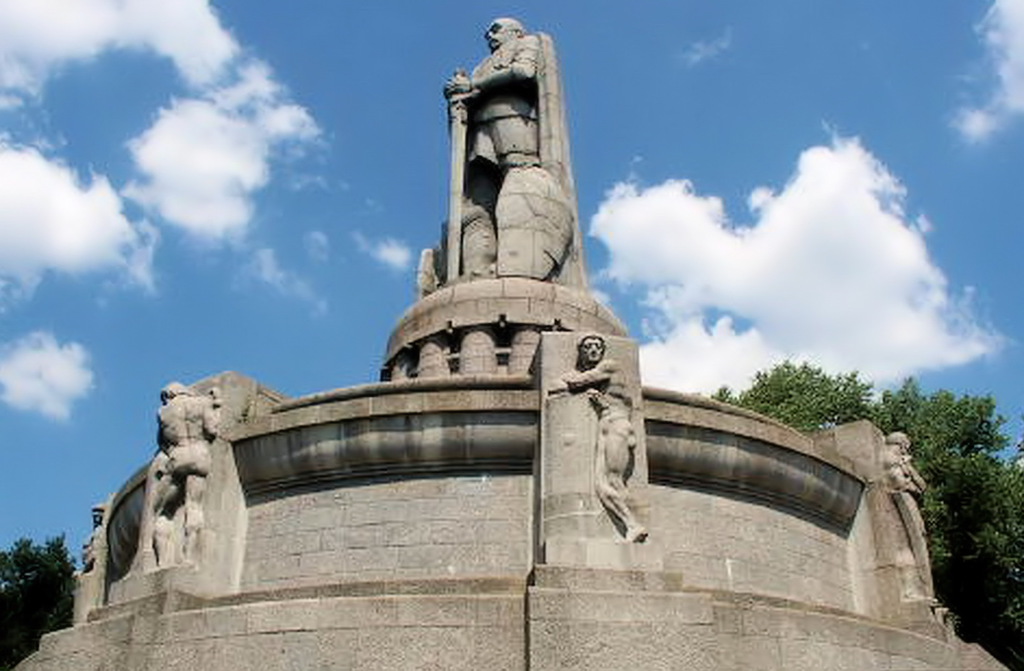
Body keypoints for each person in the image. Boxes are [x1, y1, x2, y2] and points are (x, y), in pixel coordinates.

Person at [442, 18, 579, 284]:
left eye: (496, 29)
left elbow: (524, 72)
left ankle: (518, 262)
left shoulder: (527, 43)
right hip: (480, 130)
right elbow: (471, 96)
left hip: (514, 120)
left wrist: (473, 86)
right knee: (478, 199)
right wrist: (459, 98)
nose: (489, 34)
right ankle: (478, 267)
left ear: (515, 31)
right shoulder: (482, 65)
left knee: (520, 174)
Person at [553, 335, 647, 542]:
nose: (593, 350)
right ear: (581, 351)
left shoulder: (609, 366)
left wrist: (564, 380)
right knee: (601, 486)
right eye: (588, 347)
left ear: (603, 351)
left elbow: (575, 381)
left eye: (597, 346)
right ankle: (632, 524)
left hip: (617, 427)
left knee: (613, 481)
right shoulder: (603, 382)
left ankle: (636, 524)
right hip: (606, 425)